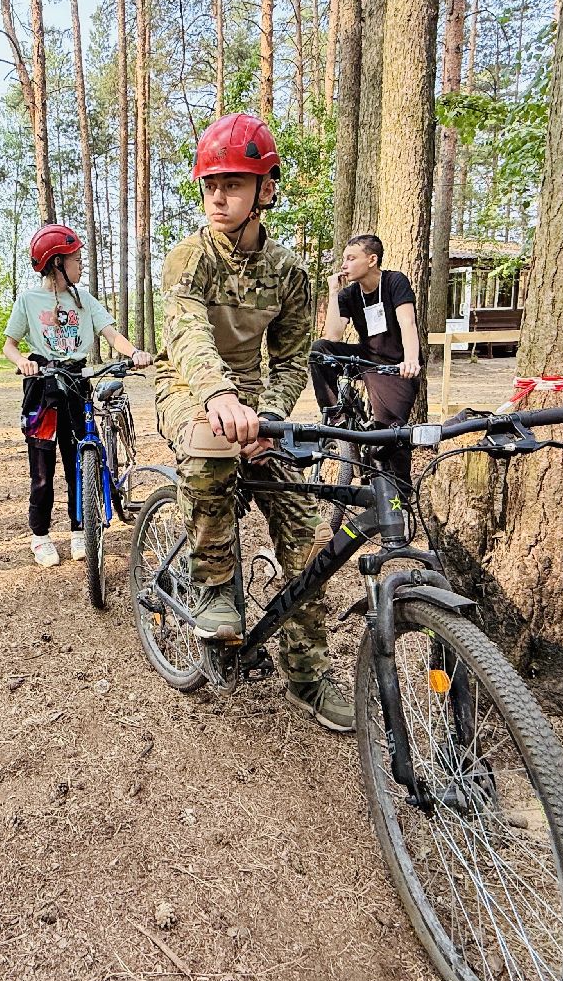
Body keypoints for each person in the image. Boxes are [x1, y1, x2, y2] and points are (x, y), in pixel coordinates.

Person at [152, 112, 352, 732]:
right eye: (211, 185)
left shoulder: (290, 274)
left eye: (234, 184)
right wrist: (218, 398)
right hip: (187, 386)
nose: (218, 197)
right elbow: (185, 335)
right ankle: (213, 587)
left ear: (266, 190)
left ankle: (308, 675)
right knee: (211, 458)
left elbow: (293, 356)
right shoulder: (189, 259)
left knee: (304, 528)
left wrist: (268, 416)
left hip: (252, 401)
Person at [4, 223, 152, 568]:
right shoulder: (28, 300)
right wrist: (23, 361)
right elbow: (9, 346)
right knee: (41, 470)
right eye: (76, 259)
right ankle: (39, 536)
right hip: (41, 385)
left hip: (76, 381)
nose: (81, 264)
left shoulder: (84, 300)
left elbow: (111, 334)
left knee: (79, 460)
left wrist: (135, 353)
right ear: (57, 263)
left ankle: (79, 530)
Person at [310, 233, 422, 487]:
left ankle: (400, 493)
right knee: (320, 350)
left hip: (396, 366)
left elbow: (408, 323)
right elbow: (333, 335)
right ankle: (337, 416)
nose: (344, 264)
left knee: (389, 433)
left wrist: (411, 361)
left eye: (351, 258)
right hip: (365, 357)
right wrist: (333, 291)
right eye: (344, 259)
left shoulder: (395, 281)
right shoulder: (350, 294)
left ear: (372, 260)